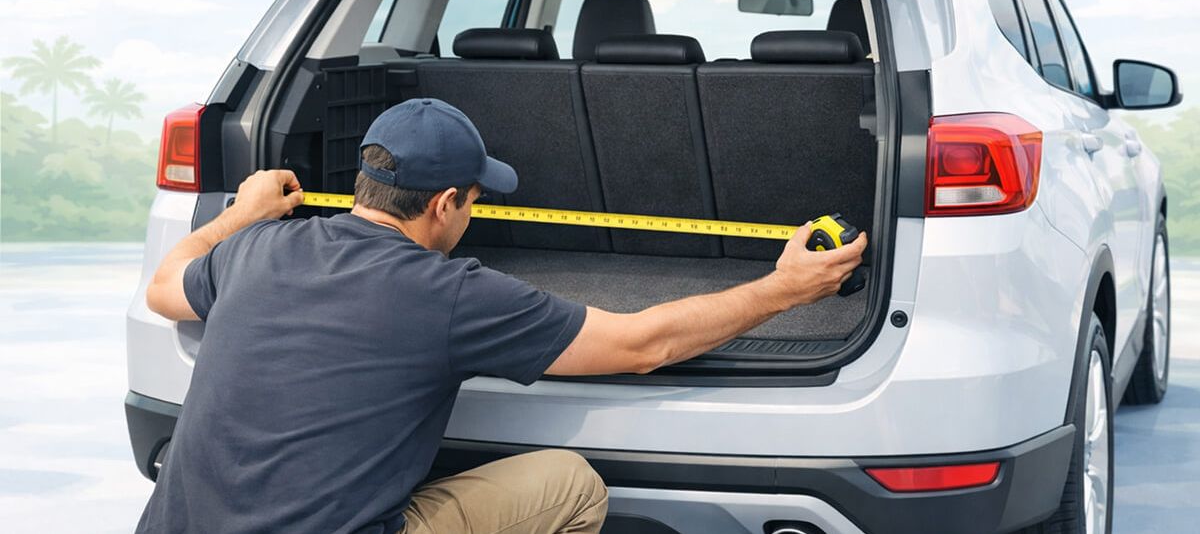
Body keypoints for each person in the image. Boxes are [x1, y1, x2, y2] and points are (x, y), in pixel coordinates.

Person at [137, 98, 867, 534]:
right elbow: (642, 344)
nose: (474, 211)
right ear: (445, 203)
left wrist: (241, 214)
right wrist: (784, 289)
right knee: (572, 483)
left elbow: (164, 286)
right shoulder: (449, 293)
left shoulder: (256, 248)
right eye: (476, 198)